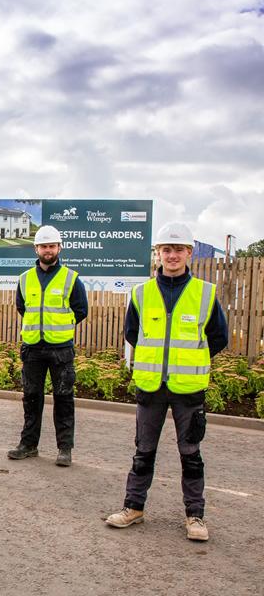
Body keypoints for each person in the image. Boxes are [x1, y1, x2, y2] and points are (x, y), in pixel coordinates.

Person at [106, 222, 228, 542]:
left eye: (178, 250)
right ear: (157, 254)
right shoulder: (141, 294)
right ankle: (133, 507)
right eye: (166, 250)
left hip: (188, 390)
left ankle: (195, 515)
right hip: (150, 387)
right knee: (143, 450)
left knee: (191, 453)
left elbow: (218, 337)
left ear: (189, 253)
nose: (172, 255)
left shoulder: (205, 293)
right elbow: (133, 333)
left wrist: (187, 362)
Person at [8, 225, 88, 466]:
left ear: (59, 248)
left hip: (60, 349)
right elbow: (22, 308)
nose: (48, 250)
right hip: (32, 348)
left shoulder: (71, 279)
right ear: (36, 249)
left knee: (64, 398)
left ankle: (65, 448)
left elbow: (80, 310)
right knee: (31, 397)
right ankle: (29, 444)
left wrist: (59, 325)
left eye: (52, 246)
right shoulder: (24, 279)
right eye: (44, 246)